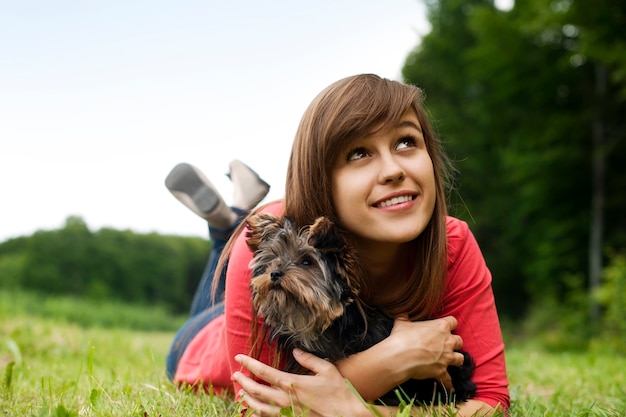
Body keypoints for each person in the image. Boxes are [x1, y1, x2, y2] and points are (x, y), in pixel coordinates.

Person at [165, 74, 509, 417]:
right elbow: (262, 408)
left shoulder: (452, 243)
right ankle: (227, 227)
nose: (393, 170)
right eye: (358, 153)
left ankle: (232, 214)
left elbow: (493, 403)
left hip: (293, 283)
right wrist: (396, 356)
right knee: (236, 254)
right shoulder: (274, 246)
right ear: (320, 179)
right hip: (200, 341)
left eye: (406, 142)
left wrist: (364, 413)